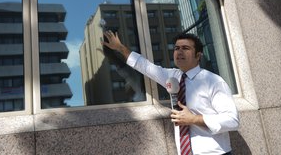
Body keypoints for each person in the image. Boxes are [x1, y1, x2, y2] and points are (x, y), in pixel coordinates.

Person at [102, 30, 239, 155]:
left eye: (185, 48)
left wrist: (194, 119)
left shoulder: (213, 81)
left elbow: (232, 120)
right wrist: (120, 47)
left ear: (198, 56)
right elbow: (144, 66)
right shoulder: (173, 76)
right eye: (176, 48)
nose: (179, 52)